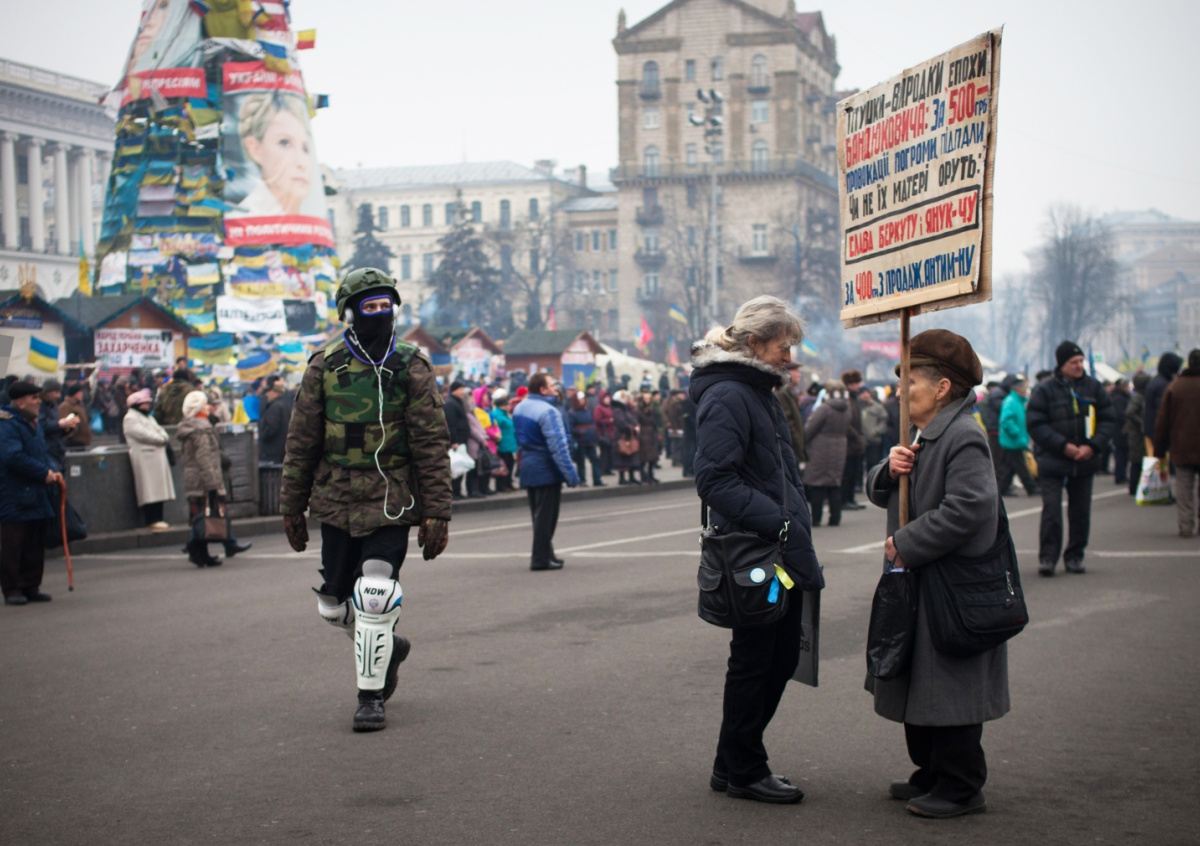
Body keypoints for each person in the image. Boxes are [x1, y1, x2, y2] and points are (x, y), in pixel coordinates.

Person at [279, 267, 452, 732]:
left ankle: (369, 698)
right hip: (335, 497)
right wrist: (291, 505)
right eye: (369, 307)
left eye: (385, 306)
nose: (379, 314)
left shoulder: (411, 365)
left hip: (391, 497)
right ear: (350, 313)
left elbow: (431, 444)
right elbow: (301, 441)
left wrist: (438, 511)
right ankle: (388, 649)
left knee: (375, 595)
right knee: (334, 607)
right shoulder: (324, 366)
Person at [864, 328, 1006, 819]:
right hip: (921, 579)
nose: (900, 391)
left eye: (910, 381)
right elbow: (878, 487)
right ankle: (931, 772)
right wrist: (889, 469)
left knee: (949, 686)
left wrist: (907, 543)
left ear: (942, 387)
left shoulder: (963, 435)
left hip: (951, 586)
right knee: (921, 681)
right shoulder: (924, 433)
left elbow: (970, 507)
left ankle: (961, 785)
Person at [691, 295, 821, 805]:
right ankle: (744, 767)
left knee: (779, 655)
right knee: (757, 659)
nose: (790, 356)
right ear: (753, 342)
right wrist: (782, 524)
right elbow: (715, 480)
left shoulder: (756, 390)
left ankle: (731, 763)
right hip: (757, 556)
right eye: (783, 346)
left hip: (775, 551)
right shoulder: (730, 393)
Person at [1026, 341, 1117, 576]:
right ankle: (1048, 558)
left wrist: (1093, 446)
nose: (1079, 365)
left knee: (1080, 513)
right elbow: (1036, 424)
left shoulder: (1094, 387)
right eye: (1073, 362)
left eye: (1080, 361)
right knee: (1051, 512)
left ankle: (1075, 556)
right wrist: (1063, 446)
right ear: (1061, 365)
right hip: (1052, 461)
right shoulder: (1044, 390)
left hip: (1084, 461)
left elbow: (1108, 420)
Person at [0, 381, 62, 606]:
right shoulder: (7, 424)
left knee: (34, 542)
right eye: (34, 399)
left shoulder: (33, 423)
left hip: (36, 492)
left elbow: (42, 453)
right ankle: (12, 588)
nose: (38, 402)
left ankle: (31, 585)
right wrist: (43, 473)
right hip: (14, 494)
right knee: (13, 543)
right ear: (20, 402)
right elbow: (12, 456)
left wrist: (53, 470)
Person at [513, 372, 579, 571]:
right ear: (542, 389)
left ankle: (547, 554)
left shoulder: (520, 407)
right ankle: (540, 558)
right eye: (551, 385)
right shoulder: (548, 411)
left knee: (538, 514)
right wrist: (571, 475)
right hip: (546, 468)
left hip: (529, 465)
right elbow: (558, 447)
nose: (555, 388)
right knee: (547, 517)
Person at [233, 93, 315, 217]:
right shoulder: (239, 218)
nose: (301, 163)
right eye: (285, 143)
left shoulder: (314, 219)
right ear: (255, 149)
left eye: (305, 148)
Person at [177, 391, 229, 568]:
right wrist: (212, 483)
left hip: (196, 478)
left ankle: (201, 553)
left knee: (200, 518)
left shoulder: (192, 427)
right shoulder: (201, 429)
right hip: (203, 479)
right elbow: (204, 458)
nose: (208, 407)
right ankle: (195, 549)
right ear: (199, 408)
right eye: (205, 404)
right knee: (204, 517)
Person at [1152, 349, 1200, 537]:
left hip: (1182, 447)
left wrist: (1159, 450)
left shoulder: (1175, 387)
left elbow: (1162, 421)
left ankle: (1186, 526)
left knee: (1184, 488)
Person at [122, 388, 176, 530]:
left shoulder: (148, 417)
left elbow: (160, 430)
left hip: (156, 459)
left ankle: (159, 518)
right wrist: (162, 439)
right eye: (144, 404)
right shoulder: (130, 418)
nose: (147, 406)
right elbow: (143, 434)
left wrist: (163, 437)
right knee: (149, 491)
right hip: (145, 459)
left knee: (158, 490)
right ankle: (152, 519)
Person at [804, 380, 852, 527]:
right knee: (834, 483)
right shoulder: (847, 408)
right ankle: (835, 518)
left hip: (821, 448)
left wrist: (803, 443)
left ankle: (816, 518)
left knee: (817, 483)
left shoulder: (824, 408)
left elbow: (810, 429)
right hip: (840, 447)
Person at [997, 376, 1038, 497]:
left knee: (1011, 466)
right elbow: (1006, 421)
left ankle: (1002, 489)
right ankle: (1030, 487)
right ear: (1017, 388)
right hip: (1013, 440)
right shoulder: (1011, 401)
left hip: (1015, 439)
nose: (1025, 389)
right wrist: (1017, 433)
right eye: (1023, 387)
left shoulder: (1017, 401)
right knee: (1020, 465)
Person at [1143, 351, 1183, 456]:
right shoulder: (1163, 385)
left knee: (1156, 461)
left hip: (1151, 430)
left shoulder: (1156, 381)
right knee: (1160, 462)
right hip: (1158, 433)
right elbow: (1162, 411)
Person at [37, 379, 79, 471]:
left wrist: (68, 428)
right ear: (47, 392)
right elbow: (41, 426)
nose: (58, 396)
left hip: (58, 452)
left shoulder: (54, 407)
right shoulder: (39, 406)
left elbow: (57, 433)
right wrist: (59, 424)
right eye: (56, 392)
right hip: (48, 452)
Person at [840, 369, 867, 509]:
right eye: (855, 383)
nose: (858, 386)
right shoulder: (846, 400)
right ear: (849, 384)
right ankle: (845, 499)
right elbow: (846, 422)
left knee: (853, 472)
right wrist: (857, 436)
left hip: (855, 443)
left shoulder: (854, 399)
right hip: (849, 443)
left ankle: (850, 498)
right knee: (847, 473)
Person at [568, 392, 604, 487]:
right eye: (580, 399)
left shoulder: (587, 411)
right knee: (581, 462)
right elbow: (571, 428)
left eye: (583, 398)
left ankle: (597, 479)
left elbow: (592, 422)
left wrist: (593, 430)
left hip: (590, 440)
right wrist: (580, 431)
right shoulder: (572, 412)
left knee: (595, 460)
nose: (582, 401)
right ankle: (582, 480)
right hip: (580, 441)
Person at [1124, 372, 1152, 496]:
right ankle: (1134, 487)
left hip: (1137, 434)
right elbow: (1130, 412)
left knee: (1138, 461)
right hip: (1137, 435)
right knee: (1137, 461)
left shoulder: (1140, 396)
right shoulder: (1138, 397)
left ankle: (1135, 486)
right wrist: (1142, 423)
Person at [444, 381, 472, 500]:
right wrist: (453, 441)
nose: (462, 392)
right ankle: (454, 492)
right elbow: (451, 424)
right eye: (460, 389)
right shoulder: (450, 403)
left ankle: (458, 491)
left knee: (460, 466)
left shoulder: (457, 402)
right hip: (457, 442)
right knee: (456, 467)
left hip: (461, 440)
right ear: (454, 390)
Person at [775, 363, 806, 471]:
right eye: (796, 371)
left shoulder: (789, 393)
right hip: (791, 449)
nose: (799, 375)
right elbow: (787, 422)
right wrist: (797, 443)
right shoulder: (783, 393)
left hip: (793, 449)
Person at [610, 390, 641, 485]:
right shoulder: (618, 410)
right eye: (624, 398)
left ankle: (631, 477)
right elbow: (621, 423)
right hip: (622, 436)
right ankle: (622, 478)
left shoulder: (625, 409)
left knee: (631, 457)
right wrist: (633, 429)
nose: (627, 400)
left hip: (629, 436)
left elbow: (632, 420)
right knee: (622, 457)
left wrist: (636, 425)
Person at [257, 375, 290, 465]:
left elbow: (271, 427)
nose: (266, 394)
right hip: (282, 450)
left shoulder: (275, 407)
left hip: (273, 451)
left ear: (275, 392)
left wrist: (262, 436)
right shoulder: (284, 405)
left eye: (268, 391)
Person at [491, 389, 517, 493]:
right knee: (503, 465)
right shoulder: (497, 414)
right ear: (502, 405)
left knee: (510, 464)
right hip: (502, 444)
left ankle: (508, 484)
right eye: (507, 404)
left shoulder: (505, 414)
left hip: (508, 444)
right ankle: (502, 486)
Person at [635, 388, 662, 484]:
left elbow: (656, 420)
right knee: (643, 457)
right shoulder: (638, 410)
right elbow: (637, 422)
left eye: (648, 398)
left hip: (652, 434)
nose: (647, 400)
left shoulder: (652, 409)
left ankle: (651, 475)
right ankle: (643, 476)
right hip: (643, 434)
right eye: (645, 399)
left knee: (652, 457)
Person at [860, 388, 889, 472]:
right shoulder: (858, 406)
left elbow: (884, 420)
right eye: (862, 393)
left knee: (873, 464)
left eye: (866, 393)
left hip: (874, 440)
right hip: (860, 441)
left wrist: (877, 431)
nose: (865, 395)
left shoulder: (877, 407)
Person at [1108, 380, 1131, 485]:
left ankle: (1121, 475)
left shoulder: (1121, 397)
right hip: (1120, 431)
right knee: (1121, 455)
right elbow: (1120, 414)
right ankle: (1120, 476)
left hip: (1120, 431)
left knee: (1122, 455)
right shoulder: (1119, 399)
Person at [58, 383, 93, 450]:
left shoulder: (79, 405)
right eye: (79, 393)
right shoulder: (65, 406)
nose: (81, 395)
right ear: (74, 394)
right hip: (73, 441)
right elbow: (66, 424)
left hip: (82, 440)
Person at [593, 391, 615, 476]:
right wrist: (608, 420)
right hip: (603, 433)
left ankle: (608, 468)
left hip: (611, 432)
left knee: (610, 452)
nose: (608, 400)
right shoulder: (598, 408)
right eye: (606, 398)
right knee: (604, 453)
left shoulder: (609, 407)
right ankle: (602, 469)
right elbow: (597, 420)